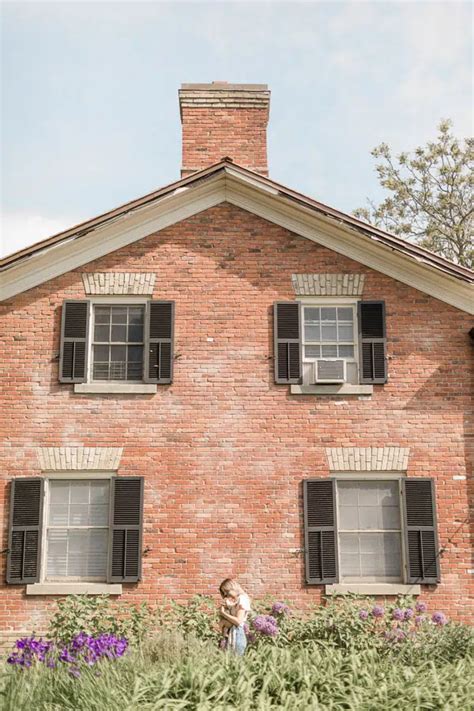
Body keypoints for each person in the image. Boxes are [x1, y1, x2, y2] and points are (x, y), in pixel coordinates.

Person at [218, 578, 251, 656]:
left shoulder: (242, 599)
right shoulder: (236, 600)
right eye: (224, 593)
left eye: (226, 591)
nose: (226, 594)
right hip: (232, 633)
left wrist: (223, 613)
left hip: (238, 634)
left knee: (236, 665)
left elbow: (238, 621)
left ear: (233, 587)